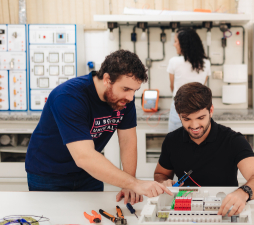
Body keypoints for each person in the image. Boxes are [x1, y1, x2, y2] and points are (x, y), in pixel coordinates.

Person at [25, 50, 172, 203]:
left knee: (94, 218)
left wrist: (130, 183)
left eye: (134, 90)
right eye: (126, 89)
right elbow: (84, 156)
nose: (130, 97)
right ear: (107, 79)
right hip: (49, 173)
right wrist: (135, 184)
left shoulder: (124, 101)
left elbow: (127, 141)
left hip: (89, 173)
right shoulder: (69, 97)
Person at [154, 82, 254, 217]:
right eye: (187, 119)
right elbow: (160, 174)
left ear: (211, 111)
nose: (194, 125)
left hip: (225, 210)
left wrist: (243, 192)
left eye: (200, 118)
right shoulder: (172, 141)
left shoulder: (233, 140)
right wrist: (164, 182)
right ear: (179, 116)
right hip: (186, 212)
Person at [167, 28, 211, 132]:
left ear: (183, 43)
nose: (174, 44)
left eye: (176, 41)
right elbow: (201, 87)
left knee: (175, 143)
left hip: (179, 108)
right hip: (199, 109)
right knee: (198, 143)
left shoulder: (174, 62)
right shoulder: (206, 63)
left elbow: (172, 86)